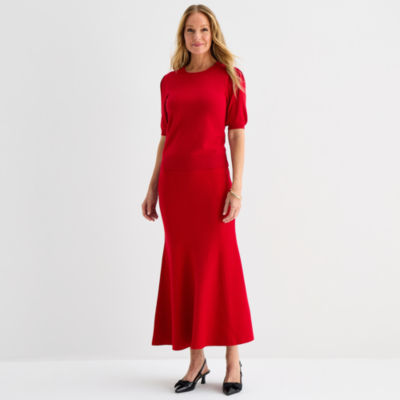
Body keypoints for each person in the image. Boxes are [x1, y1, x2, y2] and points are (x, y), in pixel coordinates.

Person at [141, 4, 254, 395]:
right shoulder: (169, 82)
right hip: (175, 186)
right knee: (186, 269)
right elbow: (166, 136)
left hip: (212, 185)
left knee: (222, 268)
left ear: (213, 33)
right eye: (190, 30)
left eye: (203, 30)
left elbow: (236, 133)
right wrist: (153, 187)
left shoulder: (230, 77)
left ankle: (233, 360)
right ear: (182, 36)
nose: (197, 37)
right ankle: (196, 360)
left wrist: (236, 187)